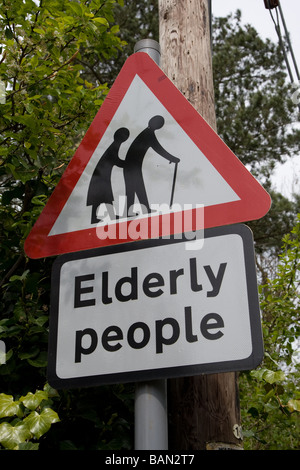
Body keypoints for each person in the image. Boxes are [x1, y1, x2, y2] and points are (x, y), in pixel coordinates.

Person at [123, 115, 180, 216]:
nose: (159, 126)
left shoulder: (147, 133)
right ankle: (132, 211)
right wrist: (172, 158)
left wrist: (172, 158)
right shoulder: (148, 134)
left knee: (137, 187)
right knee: (132, 188)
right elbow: (158, 148)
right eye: (159, 124)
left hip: (132, 166)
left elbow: (157, 148)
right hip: (131, 166)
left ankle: (143, 209)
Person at [87, 127, 129, 224]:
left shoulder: (115, 145)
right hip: (101, 175)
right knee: (102, 195)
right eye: (124, 135)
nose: (125, 137)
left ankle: (109, 215)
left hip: (102, 175)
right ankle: (98, 217)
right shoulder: (115, 145)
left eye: (126, 136)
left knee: (104, 195)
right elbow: (115, 160)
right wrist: (128, 164)